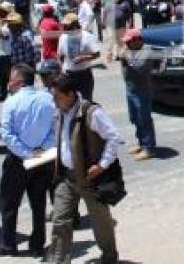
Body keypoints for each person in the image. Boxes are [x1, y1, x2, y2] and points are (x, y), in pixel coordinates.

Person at [48, 74, 120, 263]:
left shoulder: (91, 112)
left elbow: (113, 138)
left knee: (101, 222)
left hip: (89, 178)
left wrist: (102, 165)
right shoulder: (59, 112)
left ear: (70, 94)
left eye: (57, 96)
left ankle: (110, 257)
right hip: (67, 177)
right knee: (60, 220)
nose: (53, 100)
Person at [0, 63, 55, 257]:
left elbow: (7, 134)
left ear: (19, 81)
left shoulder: (11, 102)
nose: (8, 82)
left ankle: (8, 245)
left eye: (11, 78)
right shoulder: (48, 99)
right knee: (39, 204)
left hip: (18, 161)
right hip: (42, 159)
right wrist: (40, 150)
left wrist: (26, 152)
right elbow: (55, 128)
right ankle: (37, 245)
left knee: (9, 204)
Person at [120, 29, 156, 161]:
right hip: (131, 88)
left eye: (129, 42)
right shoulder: (130, 50)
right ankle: (141, 143)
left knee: (144, 119)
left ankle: (149, 148)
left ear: (137, 41)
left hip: (142, 90)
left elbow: (138, 68)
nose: (127, 44)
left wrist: (125, 58)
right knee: (134, 118)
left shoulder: (147, 51)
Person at [58, 14, 101, 101]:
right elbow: (60, 55)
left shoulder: (87, 36)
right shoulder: (63, 37)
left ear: (74, 25)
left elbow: (97, 53)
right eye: (64, 25)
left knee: (86, 101)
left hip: (84, 75)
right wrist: (61, 69)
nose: (65, 27)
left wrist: (83, 58)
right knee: (72, 102)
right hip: (69, 74)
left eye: (67, 25)